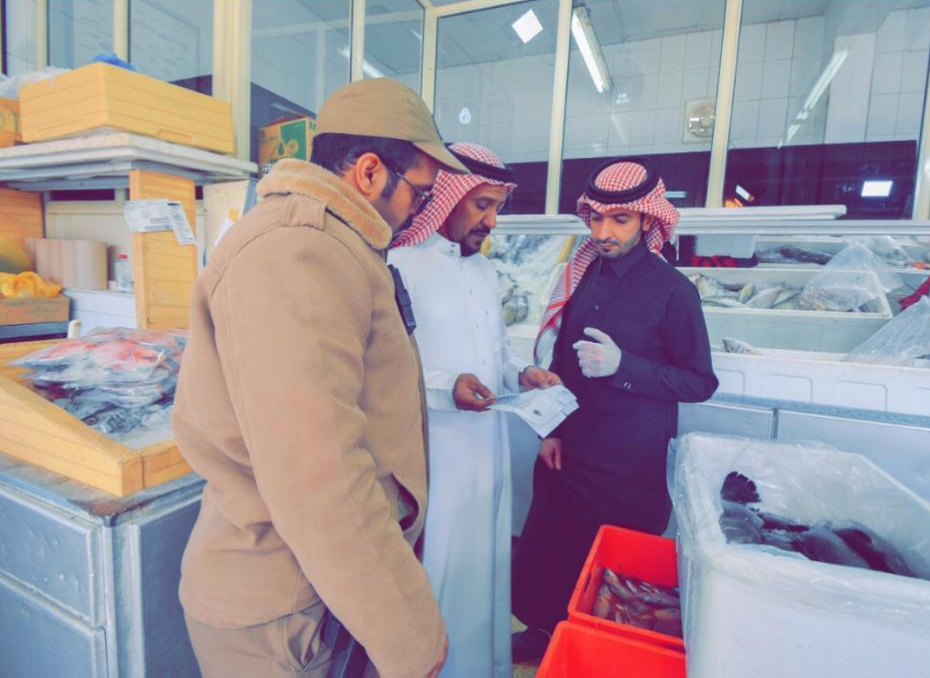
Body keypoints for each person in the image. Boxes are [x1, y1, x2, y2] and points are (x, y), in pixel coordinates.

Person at [172, 78, 469, 678]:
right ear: (369, 172)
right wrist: (409, 634)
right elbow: (320, 479)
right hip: (284, 614)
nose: (420, 210)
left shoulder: (339, 246)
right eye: (418, 192)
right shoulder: (296, 252)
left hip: (319, 591)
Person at [511, 159, 719, 661]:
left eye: (620, 220)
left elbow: (699, 382)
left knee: (612, 580)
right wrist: (550, 431)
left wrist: (627, 367)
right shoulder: (582, 274)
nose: (603, 233)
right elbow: (560, 360)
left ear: (647, 219)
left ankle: (596, 657)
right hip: (567, 453)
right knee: (549, 554)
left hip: (627, 468)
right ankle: (545, 636)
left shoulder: (674, 292)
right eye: (597, 218)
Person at [388, 142, 561, 677]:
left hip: (488, 447)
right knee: (442, 568)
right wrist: (448, 387)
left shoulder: (484, 270)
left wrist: (521, 373)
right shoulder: (399, 265)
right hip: (438, 450)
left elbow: (497, 351)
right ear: (446, 197)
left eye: (497, 208)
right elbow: (388, 369)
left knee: (486, 566)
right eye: (482, 205)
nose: (491, 221)